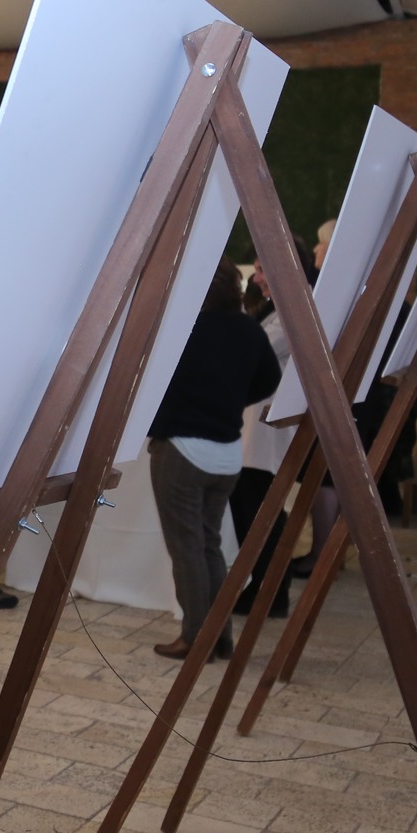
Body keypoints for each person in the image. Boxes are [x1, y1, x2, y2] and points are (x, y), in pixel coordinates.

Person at [149, 260, 281, 662]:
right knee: (209, 545)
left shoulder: (184, 330)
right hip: (226, 454)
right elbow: (269, 380)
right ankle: (219, 636)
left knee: (186, 548)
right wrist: (230, 400)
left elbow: (150, 381)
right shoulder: (249, 330)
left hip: (182, 451)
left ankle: (195, 638)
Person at [231, 260, 294, 618]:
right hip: (255, 423)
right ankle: (266, 585)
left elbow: (257, 350)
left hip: (263, 425)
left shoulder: (292, 309)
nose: (256, 278)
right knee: (255, 508)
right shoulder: (275, 308)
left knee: (259, 510)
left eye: (262, 269)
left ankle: (269, 590)